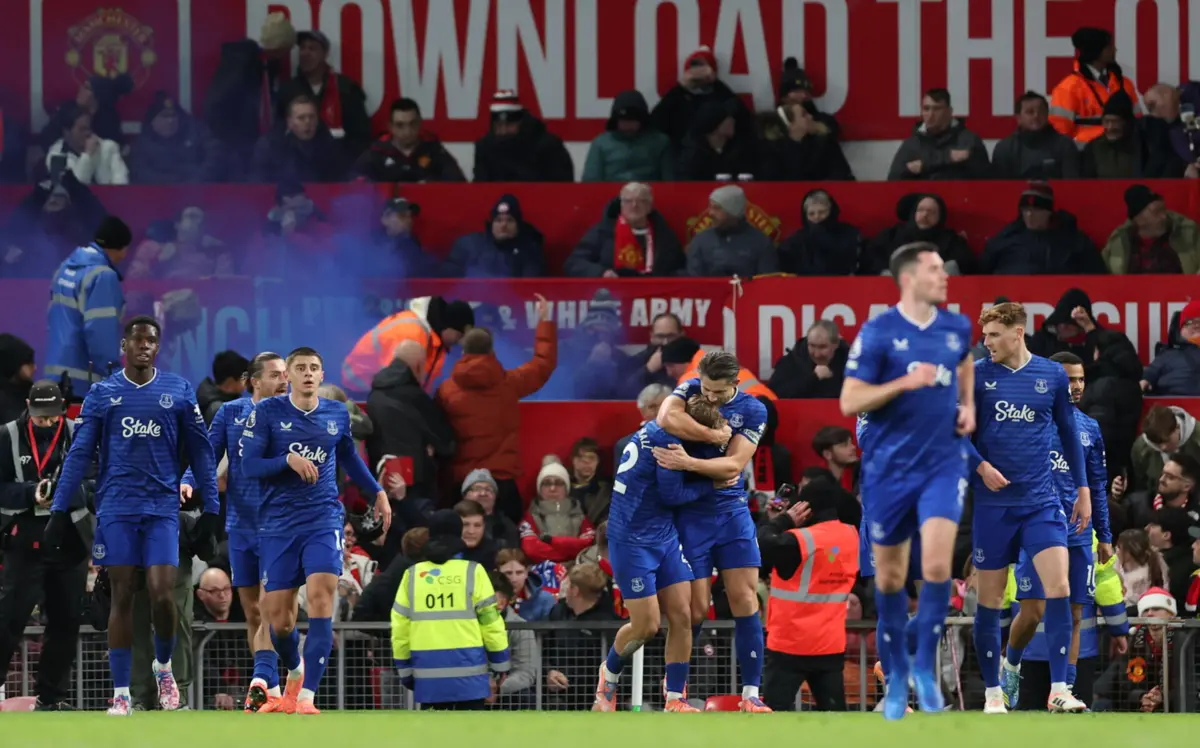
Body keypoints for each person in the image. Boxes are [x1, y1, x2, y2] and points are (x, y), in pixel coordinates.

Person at [44, 316, 220, 716]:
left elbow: (202, 453)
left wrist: (211, 508)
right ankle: (121, 692)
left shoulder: (177, 391)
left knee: (161, 594)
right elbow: (79, 454)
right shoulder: (102, 395)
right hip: (117, 509)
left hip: (161, 510)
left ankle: (163, 668)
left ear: (158, 347)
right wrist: (58, 508)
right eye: (137, 340)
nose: (144, 346)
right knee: (121, 596)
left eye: (151, 341)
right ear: (125, 346)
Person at [838, 241, 974, 719]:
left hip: (942, 465)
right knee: (892, 578)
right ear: (910, 277)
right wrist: (904, 382)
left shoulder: (957, 326)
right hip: (889, 473)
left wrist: (969, 405)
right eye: (936, 269)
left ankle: (921, 668)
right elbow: (850, 402)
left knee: (937, 570)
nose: (945, 276)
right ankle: (895, 675)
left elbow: (964, 361)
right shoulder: (877, 333)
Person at [239, 347, 390, 715]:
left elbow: (350, 458)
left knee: (323, 598)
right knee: (280, 621)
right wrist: (287, 460)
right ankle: (294, 670)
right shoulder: (267, 413)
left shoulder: (337, 413)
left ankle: (306, 697)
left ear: (322, 376)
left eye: (314, 368)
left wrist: (379, 493)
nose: (308, 374)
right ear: (287, 375)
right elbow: (250, 466)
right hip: (277, 525)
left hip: (322, 518)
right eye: (301, 368)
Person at [967, 302, 1091, 714]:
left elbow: (1069, 433)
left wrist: (1084, 489)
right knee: (989, 602)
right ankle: (992, 694)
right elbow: (953, 435)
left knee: (1059, 589)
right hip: (993, 507)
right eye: (984, 336)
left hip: (1041, 502)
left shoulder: (1051, 375)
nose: (986, 343)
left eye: (993, 335)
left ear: (1017, 333)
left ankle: (1059, 689)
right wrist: (981, 466)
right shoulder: (977, 376)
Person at [649, 350, 770, 712]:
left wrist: (689, 461)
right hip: (690, 515)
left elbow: (733, 464)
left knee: (745, 600)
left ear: (734, 383)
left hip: (731, 511)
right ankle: (676, 692)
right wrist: (713, 434)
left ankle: (751, 695)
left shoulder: (753, 410)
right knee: (694, 609)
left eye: (718, 392)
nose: (711, 397)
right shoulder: (688, 390)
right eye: (706, 388)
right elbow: (664, 416)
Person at [594, 396, 726, 713]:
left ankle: (675, 699)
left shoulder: (662, 427)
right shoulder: (667, 444)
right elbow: (674, 494)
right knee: (647, 627)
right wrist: (713, 483)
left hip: (664, 536)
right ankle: (607, 677)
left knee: (685, 615)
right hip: (631, 541)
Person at [1000, 352, 1115, 707]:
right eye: (1069, 378)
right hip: (1037, 528)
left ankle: (1062, 691)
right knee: (1032, 612)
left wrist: (1105, 535)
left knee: (1076, 613)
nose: (1076, 385)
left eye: (1080, 379)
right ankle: (1010, 667)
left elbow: (1097, 484)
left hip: (1078, 532)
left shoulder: (1089, 428)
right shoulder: (1029, 424)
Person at [180, 351, 288, 711]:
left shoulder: (294, 414)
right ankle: (269, 685)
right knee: (254, 612)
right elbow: (208, 456)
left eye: (285, 374)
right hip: (240, 525)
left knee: (274, 611)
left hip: (280, 524)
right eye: (275, 375)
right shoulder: (230, 413)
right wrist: (188, 480)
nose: (283, 380)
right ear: (254, 380)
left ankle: (269, 687)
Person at [0, 381, 93, 710]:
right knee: (9, 618)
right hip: (25, 535)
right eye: (39, 417)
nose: (46, 422)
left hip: (69, 538)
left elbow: (96, 481)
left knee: (65, 621)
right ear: (27, 405)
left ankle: (51, 699)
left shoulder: (80, 431)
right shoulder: (7, 435)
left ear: (63, 407)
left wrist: (66, 492)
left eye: (51, 416)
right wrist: (31, 492)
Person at [389, 509, 510, 710]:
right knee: (470, 737)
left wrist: (404, 669)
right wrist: (500, 663)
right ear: (459, 533)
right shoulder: (473, 571)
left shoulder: (412, 575)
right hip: (470, 677)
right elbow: (491, 622)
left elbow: (400, 628)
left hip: (428, 676)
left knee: (435, 739)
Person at [758, 478, 860, 711]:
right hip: (829, 645)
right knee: (834, 719)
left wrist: (781, 521)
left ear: (804, 508)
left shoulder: (799, 540)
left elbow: (760, 544)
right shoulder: (851, 535)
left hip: (789, 645)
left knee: (774, 715)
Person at [45, 216, 132, 398]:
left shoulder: (65, 269)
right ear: (120, 248)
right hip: (82, 383)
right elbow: (100, 332)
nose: (124, 256)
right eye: (125, 250)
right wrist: (113, 375)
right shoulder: (103, 277)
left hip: (55, 377)